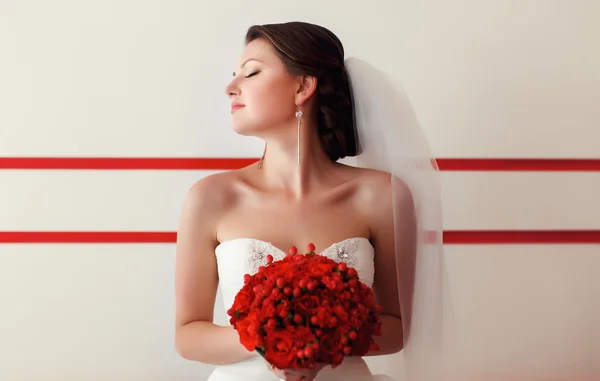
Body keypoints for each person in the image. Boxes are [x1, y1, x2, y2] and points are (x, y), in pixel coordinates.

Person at [174, 21, 451, 381]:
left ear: (303, 86)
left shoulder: (382, 195)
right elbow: (188, 334)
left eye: (251, 73)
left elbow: (397, 328)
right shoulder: (211, 196)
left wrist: (325, 342)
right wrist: (270, 341)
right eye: (234, 76)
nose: (230, 89)